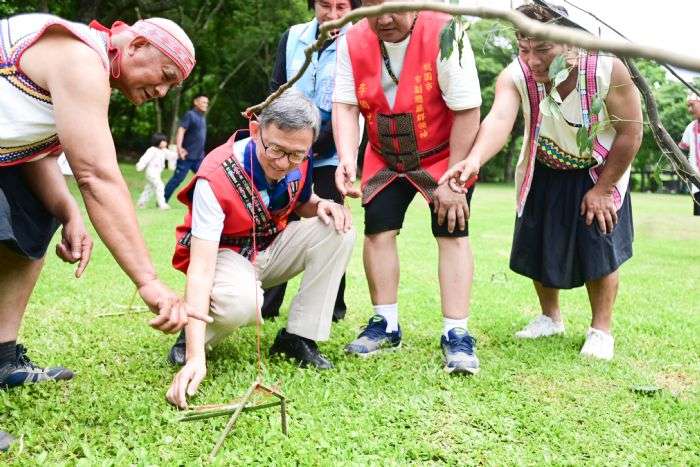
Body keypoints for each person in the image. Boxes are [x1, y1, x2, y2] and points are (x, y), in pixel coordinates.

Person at [0, 12, 211, 449]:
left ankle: (1, 359)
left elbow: (30, 147)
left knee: (33, 221)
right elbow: (96, 173)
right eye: (165, 75)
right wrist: (149, 282)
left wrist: (68, 211)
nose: (161, 91)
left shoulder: (86, 69)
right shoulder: (81, 58)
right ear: (133, 47)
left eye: (173, 86)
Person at [440, 3, 643, 360]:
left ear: (570, 41)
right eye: (524, 49)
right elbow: (500, 119)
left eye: (543, 49)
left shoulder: (607, 69)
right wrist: (472, 160)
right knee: (541, 244)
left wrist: (603, 188)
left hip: (597, 169)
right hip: (545, 166)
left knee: (599, 248)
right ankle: (550, 317)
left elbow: (630, 133)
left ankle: (601, 330)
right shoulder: (517, 74)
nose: (532, 61)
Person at [166, 90, 355, 408]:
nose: (285, 163)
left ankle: (297, 337)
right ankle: (193, 338)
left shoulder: (298, 158)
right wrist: (196, 358)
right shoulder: (215, 177)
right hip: (225, 258)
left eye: (296, 155)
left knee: (339, 231)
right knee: (244, 301)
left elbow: (300, 200)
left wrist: (322, 204)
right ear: (256, 131)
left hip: (270, 247)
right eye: (276, 150)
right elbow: (200, 270)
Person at [332, 0, 482, 374]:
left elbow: (467, 110)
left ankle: (456, 333)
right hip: (385, 152)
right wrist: (348, 155)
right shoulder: (351, 40)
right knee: (378, 231)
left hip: (443, 153)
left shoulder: (448, 32)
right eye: (369, 7)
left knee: (452, 231)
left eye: (393, 6)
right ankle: (386, 324)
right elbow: (346, 105)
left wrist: (454, 179)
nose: (382, 19)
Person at [262, 0, 360, 323]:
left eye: (341, 7)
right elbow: (277, 89)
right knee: (279, 218)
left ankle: (332, 305)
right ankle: (268, 302)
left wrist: (326, 147)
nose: (332, 16)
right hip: (288, 150)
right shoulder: (293, 37)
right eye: (324, 6)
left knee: (332, 221)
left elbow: (353, 103)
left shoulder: (359, 40)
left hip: (331, 151)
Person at [163, 95, 209, 201]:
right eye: (203, 102)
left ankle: (196, 200)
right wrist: (179, 148)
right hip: (187, 156)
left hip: (199, 157)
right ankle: (162, 200)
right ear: (196, 102)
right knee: (177, 179)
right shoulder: (190, 115)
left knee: (206, 178)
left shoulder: (202, 117)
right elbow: (181, 130)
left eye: (207, 103)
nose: (205, 104)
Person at [136, 133, 175, 210]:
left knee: (149, 188)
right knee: (160, 186)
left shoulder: (164, 151)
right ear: (157, 141)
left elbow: (172, 156)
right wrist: (140, 166)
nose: (165, 142)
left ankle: (141, 203)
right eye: (163, 141)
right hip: (151, 172)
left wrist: (179, 154)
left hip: (157, 173)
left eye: (165, 141)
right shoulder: (152, 150)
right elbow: (145, 159)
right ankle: (162, 204)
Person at [678, 93, 700, 216]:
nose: (690, 110)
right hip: (697, 184)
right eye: (688, 106)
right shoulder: (690, 128)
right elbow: (682, 151)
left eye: (692, 105)